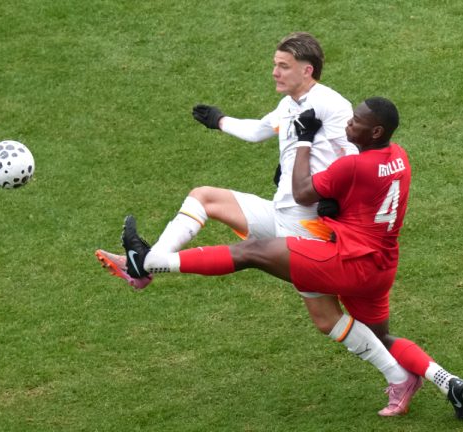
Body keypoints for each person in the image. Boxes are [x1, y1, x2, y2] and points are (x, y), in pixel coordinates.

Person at [97, 97, 463, 419]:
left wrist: (304, 142)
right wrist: (335, 206)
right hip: (381, 267)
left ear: (375, 131)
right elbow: (364, 202)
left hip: (348, 261)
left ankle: (147, 263)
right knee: (380, 338)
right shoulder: (399, 158)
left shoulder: (355, 165)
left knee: (253, 253)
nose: (349, 123)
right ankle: (447, 380)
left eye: (357, 121)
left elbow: (302, 191)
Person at [95, 31, 356, 290]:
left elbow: (354, 155)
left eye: (283, 66)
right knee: (203, 197)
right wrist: (219, 121)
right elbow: (258, 131)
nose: (275, 72)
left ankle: (144, 265)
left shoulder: (332, 105)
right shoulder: (288, 105)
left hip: (309, 224)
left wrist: (339, 199)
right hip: (281, 211)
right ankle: (144, 264)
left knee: (324, 310)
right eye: (275, 64)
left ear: (307, 70)